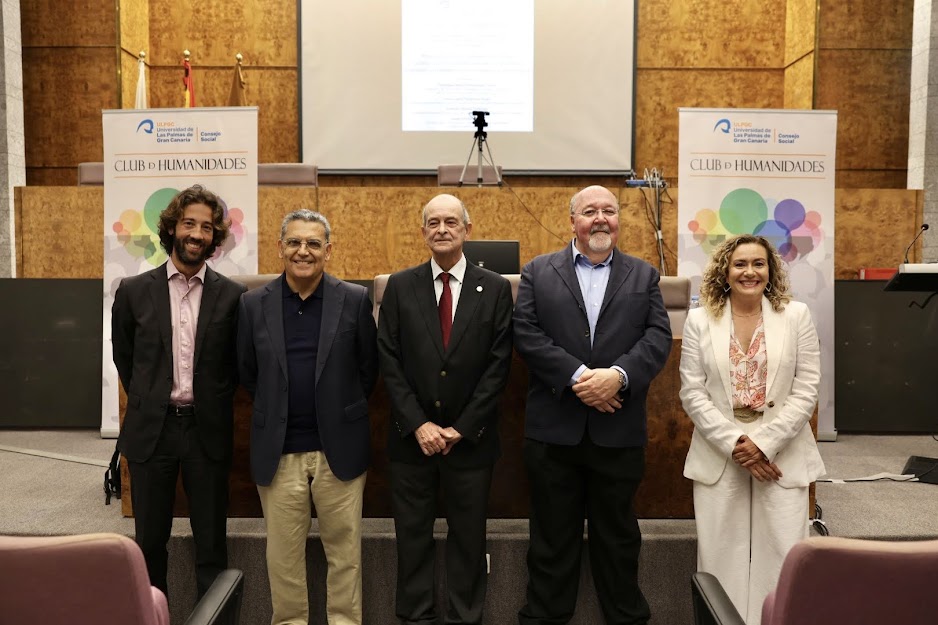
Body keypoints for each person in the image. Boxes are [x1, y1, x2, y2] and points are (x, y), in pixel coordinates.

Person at [513, 185, 672, 625]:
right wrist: (582, 378)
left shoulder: (644, 275)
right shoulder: (538, 272)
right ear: (572, 222)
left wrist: (616, 378)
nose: (600, 219)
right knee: (550, 540)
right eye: (589, 212)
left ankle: (625, 618)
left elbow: (657, 338)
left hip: (617, 431)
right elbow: (526, 334)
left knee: (618, 538)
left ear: (619, 219)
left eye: (609, 210)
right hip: (554, 433)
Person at [377, 193, 513, 625]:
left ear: (467, 230)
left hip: (469, 442)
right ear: (423, 232)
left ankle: (464, 617)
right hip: (411, 440)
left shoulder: (494, 289)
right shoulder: (399, 285)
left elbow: (498, 366)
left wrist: (462, 427)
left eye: (450, 222)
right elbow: (389, 361)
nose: (441, 229)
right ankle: (415, 616)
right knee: (411, 538)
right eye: (432, 222)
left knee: (468, 539)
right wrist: (418, 424)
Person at [236, 209, 378, 625]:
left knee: (345, 556)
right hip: (279, 453)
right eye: (295, 242)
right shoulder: (251, 305)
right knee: (283, 559)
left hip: (340, 450)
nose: (303, 251)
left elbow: (367, 370)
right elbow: (247, 373)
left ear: (328, 250)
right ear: (280, 247)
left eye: (313, 244)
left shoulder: (354, 299)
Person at [679, 234, 823, 625]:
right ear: (725, 271)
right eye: (740, 264)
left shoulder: (797, 316)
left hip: (782, 453)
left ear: (771, 271)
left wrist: (764, 443)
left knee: (782, 552)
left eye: (758, 264)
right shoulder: (699, 320)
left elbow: (807, 388)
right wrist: (737, 444)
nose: (749, 272)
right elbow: (692, 392)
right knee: (719, 553)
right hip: (720, 452)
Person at [111, 184, 246, 598]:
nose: (197, 234)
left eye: (207, 227)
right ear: (172, 228)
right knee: (150, 545)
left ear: (215, 238)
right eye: (189, 223)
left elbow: (237, 366)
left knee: (211, 545)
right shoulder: (133, 292)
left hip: (206, 432)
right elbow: (126, 360)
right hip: (153, 432)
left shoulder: (234, 296)